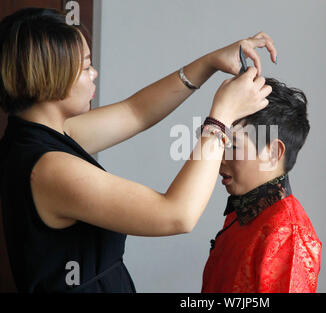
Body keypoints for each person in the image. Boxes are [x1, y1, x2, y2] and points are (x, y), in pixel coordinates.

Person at [0, 7, 277, 293]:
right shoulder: (49, 169)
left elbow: (137, 112)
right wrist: (222, 116)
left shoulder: (38, 134)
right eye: (85, 67)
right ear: (50, 74)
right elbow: (177, 214)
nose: (94, 74)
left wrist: (209, 63)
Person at [201, 78, 322, 293]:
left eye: (232, 146)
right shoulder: (244, 211)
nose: (219, 157)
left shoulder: (287, 233)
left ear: (273, 153)